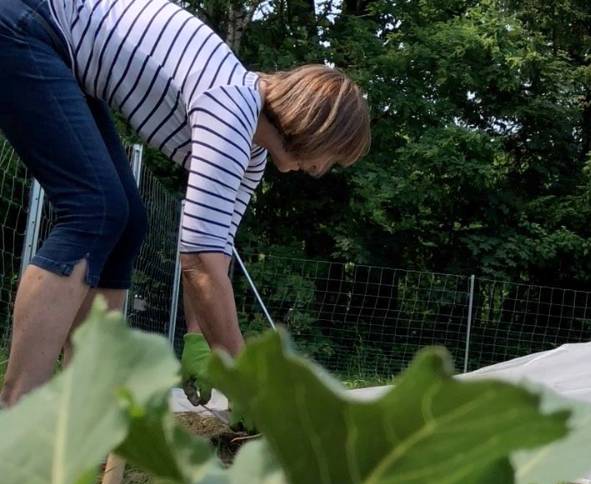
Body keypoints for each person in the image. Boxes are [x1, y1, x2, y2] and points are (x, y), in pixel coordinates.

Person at [0, 0, 370, 406]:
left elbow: (216, 253)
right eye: (332, 156)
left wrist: (198, 338)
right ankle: (19, 408)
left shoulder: (251, 151)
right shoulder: (234, 109)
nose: (323, 168)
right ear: (316, 129)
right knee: (96, 209)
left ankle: (82, 403)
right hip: (28, 24)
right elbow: (198, 261)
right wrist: (246, 383)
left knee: (127, 223)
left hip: (58, 49)